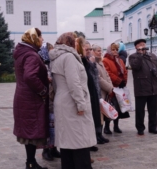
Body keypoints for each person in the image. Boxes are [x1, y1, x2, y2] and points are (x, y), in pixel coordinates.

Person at [49, 32, 96, 169]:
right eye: (75, 41)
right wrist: (81, 104)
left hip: (63, 101)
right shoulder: (69, 57)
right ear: (68, 42)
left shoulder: (58, 57)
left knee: (67, 143)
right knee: (79, 140)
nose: (77, 44)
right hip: (72, 103)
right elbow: (74, 83)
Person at [13, 27, 49, 169]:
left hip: (23, 97)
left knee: (29, 131)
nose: (42, 40)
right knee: (32, 130)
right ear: (34, 38)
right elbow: (29, 76)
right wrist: (43, 90)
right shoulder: (31, 55)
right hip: (31, 99)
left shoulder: (22, 53)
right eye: (40, 37)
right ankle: (31, 163)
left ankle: (31, 162)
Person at [129, 39, 157, 135]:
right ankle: (140, 128)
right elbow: (136, 67)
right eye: (140, 44)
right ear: (136, 47)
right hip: (141, 87)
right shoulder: (133, 57)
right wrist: (140, 55)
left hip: (153, 86)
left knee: (153, 109)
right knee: (140, 110)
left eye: (144, 44)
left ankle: (153, 127)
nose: (143, 46)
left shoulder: (152, 56)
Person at [38, 42, 61, 161]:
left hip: (54, 97)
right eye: (50, 50)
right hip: (46, 99)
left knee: (55, 125)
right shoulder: (42, 64)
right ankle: (46, 150)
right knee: (48, 125)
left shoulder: (53, 63)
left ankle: (54, 148)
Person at [102, 43, 130, 134]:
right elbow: (108, 73)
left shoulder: (119, 60)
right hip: (112, 87)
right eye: (113, 49)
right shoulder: (105, 60)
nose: (115, 51)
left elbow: (125, 71)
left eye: (116, 50)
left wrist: (124, 81)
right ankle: (107, 127)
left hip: (120, 88)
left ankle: (116, 126)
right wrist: (118, 80)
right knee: (111, 107)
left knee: (119, 107)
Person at [82, 41, 105, 145]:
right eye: (87, 49)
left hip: (95, 90)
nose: (89, 51)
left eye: (90, 49)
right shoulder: (84, 61)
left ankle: (98, 135)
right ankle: (93, 138)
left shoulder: (90, 60)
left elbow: (96, 76)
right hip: (88, 92)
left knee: (97, 115)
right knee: (91, 116)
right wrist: (91, 64)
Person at [93, 44, 113, 141]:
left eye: (100, 50)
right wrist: (109, 87)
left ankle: (100, 134)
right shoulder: (93, 63)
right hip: (100, 91)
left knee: (104, 113)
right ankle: (97, 135)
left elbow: (106, 75)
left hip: (105, 91)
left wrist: (110, 86)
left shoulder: (101, 62)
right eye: (98, 51)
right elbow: (98, 79)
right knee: (99, 114)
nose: (100, 52)